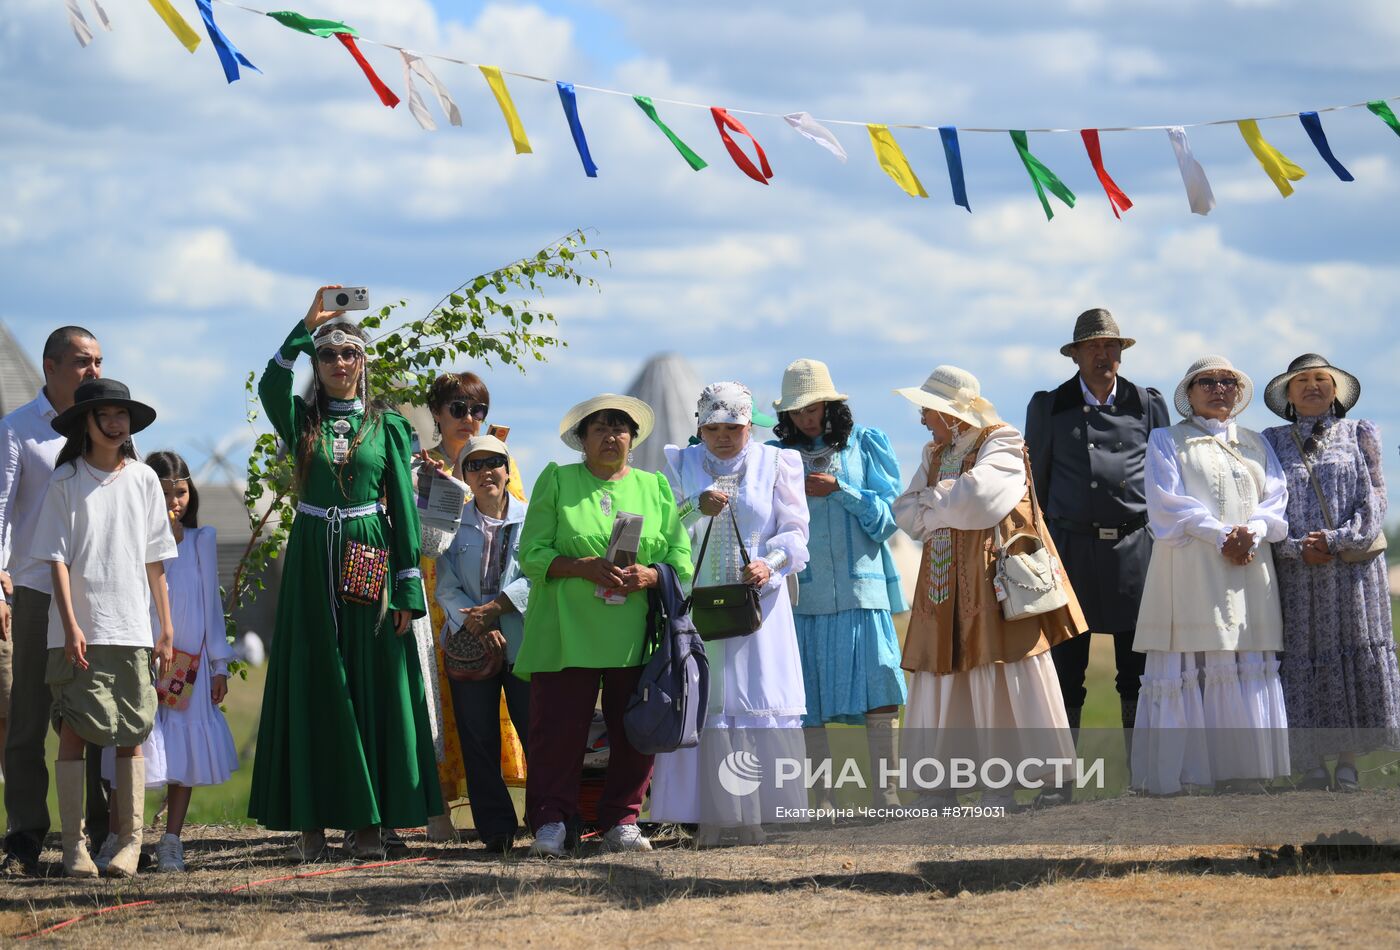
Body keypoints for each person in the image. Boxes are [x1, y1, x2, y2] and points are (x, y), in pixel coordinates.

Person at [247, 286, 440, 862]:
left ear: (363, 362)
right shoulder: (299, 419)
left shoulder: (389, 428)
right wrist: (306, 324)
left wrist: (407, 588)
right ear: (318, 364)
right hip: (310, 559)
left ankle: (367, 824)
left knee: (371, 683)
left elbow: (403, 509)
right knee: (315, 681)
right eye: (327, 355)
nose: (338, 363)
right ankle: (310, 822)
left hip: (368, 555)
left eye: (348, 353)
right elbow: (268, 385)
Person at [893, 366, 1085, 807]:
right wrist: (943, 500)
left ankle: (1010, 782)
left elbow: (979, 502)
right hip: (942, 581)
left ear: (951, 413)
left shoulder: (1001, 439)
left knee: (1000, 663)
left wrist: (935, 500)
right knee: (946, 666)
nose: (923, 418)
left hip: (991, 577)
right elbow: (904, 513)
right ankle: (945, 781)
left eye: (928, 409)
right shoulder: (934, 451)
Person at [514, 394, 691, 856]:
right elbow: (530, 554)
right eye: (600, 428)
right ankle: (551, 821)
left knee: (635, 728)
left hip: (633, 633)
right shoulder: (557, 480)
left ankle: (622, 819)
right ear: (582, 440)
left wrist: (651, 575)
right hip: (564, 630)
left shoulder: (654, 487)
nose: (612, 436)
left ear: (632, 438)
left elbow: (679, 558)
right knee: (557, 731)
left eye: (621, 428)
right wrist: (580, 566)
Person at [29, 379, 178, 877]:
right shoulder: (65, 481)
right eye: (106, 415)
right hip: (77, 631)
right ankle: (74, 848)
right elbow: (56, 561)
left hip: (133, 628)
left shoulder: (143, 481)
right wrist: (70, 624)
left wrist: (165, 626)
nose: (116, 425)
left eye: (122, 416)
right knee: (72, 730)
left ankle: (129, 845)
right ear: (86, 422)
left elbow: (156, 561)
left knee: (132, 732)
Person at [651, 382, 810, 847]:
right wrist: (691, 507)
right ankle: (713, 819)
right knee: (709, 699)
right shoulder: (680, 463)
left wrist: (770, 564)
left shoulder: (778, 462)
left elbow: (796, 534)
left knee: (755, 698)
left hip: (760, 600)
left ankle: (754, 817)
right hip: (700, 597)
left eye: (734, 427)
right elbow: (663, 531)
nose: (723, 436)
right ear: (700, 427)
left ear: (749, 426)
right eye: (713, 428)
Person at [1024, 309, 1169, 804]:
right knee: (1066, 674)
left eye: (1111, 347)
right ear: (1077, 355)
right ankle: (1060, 783)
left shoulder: (1146, 404)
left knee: (1139, 675)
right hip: (1071, 552)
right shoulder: (1050, 406)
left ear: (1121, 352)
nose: (1104, 355)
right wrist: (1035, 548)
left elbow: (1164, 479)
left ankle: (1144, 775)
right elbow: (1035, 484)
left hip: (1135, 550)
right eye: (1093, 347)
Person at [1132, 356, 1291, 795]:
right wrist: (1222, 536)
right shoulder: (1167, 439)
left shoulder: (1258, 443)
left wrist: (1251, 533)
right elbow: (1167, 503)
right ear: (1190, 392)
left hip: (1249, 566)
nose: (1219, 389)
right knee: (1193, 657)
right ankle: (1188, 772)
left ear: (1239, 394)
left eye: (1228, 382)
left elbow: (1276, 500)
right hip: (1192, 564)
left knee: (1241, 657)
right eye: (1208, 382)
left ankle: (1243, 770)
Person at [767, 360, 906, 808]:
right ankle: (819, 800)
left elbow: (889, 522)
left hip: (862, 593)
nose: (807, 416)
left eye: (814, 405)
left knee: (880, 686)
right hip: (800, 598)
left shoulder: (866, 445)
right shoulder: (773, 457)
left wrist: (840, 492)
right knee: (806, 698)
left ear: (831, 403)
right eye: (797, 409)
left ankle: (887, 797)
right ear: (785, 415)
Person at [1261, 355, 1400, 791]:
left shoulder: (1361, 433)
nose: (1313, 387)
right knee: (1302, 661)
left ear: (1337, 390)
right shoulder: (1270, 441)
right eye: (1302, 381)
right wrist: (1297, 548)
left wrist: (1338, 541)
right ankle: (1312, 765)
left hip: (1352, 574)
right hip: (1297, 575)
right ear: (1287, 394)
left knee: (1350, 653)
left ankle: (1347, 764)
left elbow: (1376, 499)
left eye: (1322, 379)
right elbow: (1263, 504)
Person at [1, 326, 110, 878]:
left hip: (92, 593)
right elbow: (0, 506)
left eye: (97, 362)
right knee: (27, 717)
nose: (92, 371)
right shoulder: (19, 429)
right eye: (81, 362)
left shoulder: (105, 431)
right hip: (35, 591)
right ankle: (24, 834)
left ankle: (90, 832)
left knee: (87, 715)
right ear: (50, 366)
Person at [414, 372, 528, 843]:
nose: (469, 418)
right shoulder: (416, 465)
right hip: (440, 596)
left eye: (477, 409)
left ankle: (545, 817)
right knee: (447, 714)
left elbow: (520, 530)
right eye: (458, 408)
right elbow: (417, 538)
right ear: (437, 414)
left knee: (512, 717)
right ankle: (440, 814)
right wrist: (431, 489)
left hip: (504, 609)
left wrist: (496, 611)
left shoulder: (502, 458)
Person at [433, 434, 531, 852]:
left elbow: (539, 571)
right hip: (470, 643)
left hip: (526, 639)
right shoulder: (452, 523)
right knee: (478, 736)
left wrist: (497, 609)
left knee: (537, 731)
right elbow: (445, 584)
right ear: (464, 476)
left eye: (494, 462)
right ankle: (496, 830)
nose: (485, 471)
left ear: (508, 471)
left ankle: (549, 819)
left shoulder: (535, 518)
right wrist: (476, 619)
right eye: (474, 465)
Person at [143, 451, 239, 871]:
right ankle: (122, 837)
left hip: (190, 667)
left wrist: (218, 665)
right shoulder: (138, 541)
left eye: (180, 492)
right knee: (136, 746)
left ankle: (171, 841)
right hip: (145, 659)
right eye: (164, 493)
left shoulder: (201, 540)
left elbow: (210, 608)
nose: (174, 501)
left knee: (183, 751)